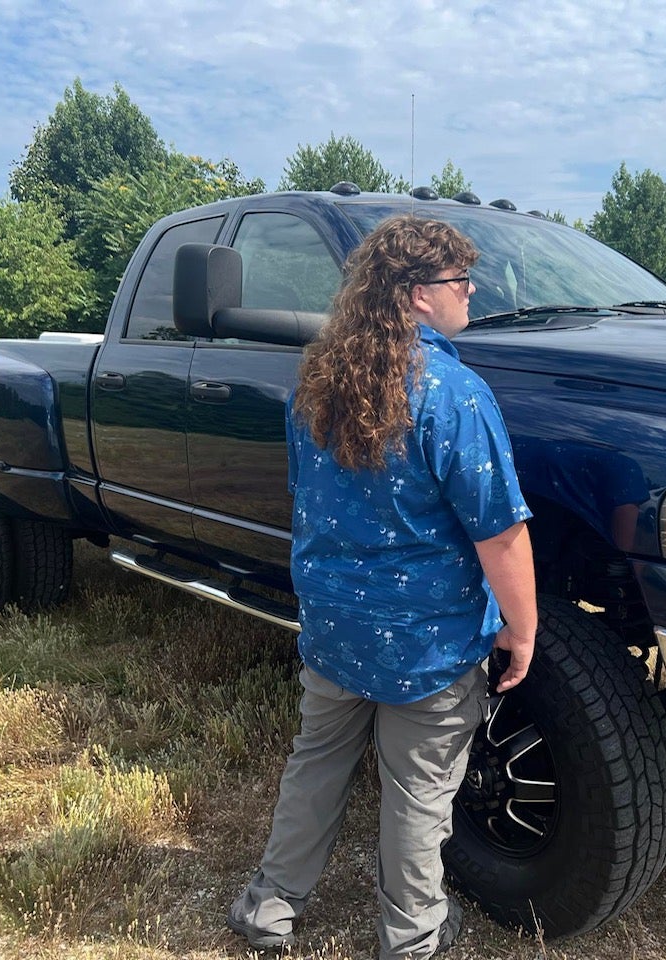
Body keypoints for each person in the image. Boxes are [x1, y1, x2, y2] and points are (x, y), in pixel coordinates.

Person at [228, 215, 538, 958]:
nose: (470, 293)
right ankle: (412, 934)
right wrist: (521, 630)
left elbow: (306, 499)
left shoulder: (319, 383)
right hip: (425, 641)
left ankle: (270, 907)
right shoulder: (455, 394)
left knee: (317, 764)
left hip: (334, 626)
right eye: (459, 281)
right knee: (418, 793)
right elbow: (499, 533)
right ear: (414, 295)